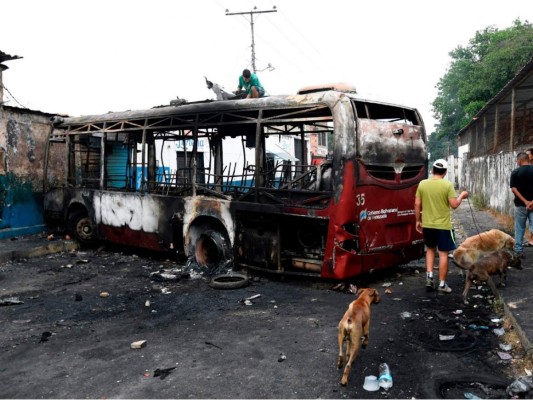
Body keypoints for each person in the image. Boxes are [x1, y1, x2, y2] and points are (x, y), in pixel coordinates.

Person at [415, 159, 468, 293]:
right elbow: (454, 205)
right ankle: (442, 285)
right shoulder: (447, 185)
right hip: (443, 226)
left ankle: (429, 278)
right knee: (443, 254)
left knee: (430, 250)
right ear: (445, 172)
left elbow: (417, 204)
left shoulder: (422, 184)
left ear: (432, 170)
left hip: (427, 224)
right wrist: (462, 195)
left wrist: (418, 221)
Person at [510, 151, 533, 257]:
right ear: (528, 159)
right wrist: (531, 202)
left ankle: (518, 250)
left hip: (520, 206)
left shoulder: (515, 172)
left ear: (519, 161)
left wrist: (525, 202)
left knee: (519, 228)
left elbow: (514, 189)